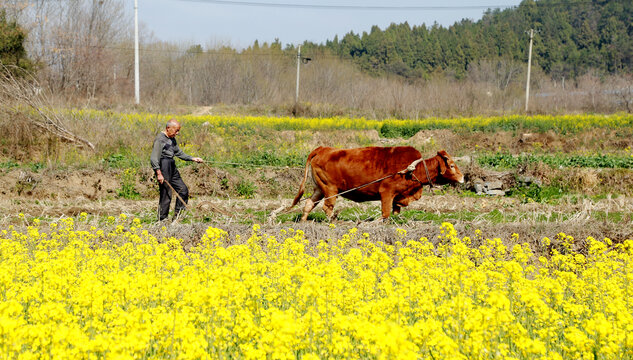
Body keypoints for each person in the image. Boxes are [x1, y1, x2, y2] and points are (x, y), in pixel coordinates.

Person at [150, 119, 203, 221]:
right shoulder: (160, 139)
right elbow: (154, 158)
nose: (177, 133)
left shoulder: (172, 139)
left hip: (171, 164)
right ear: (168, 128)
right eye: (176, 130)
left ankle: (178, 217)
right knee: (166, 194)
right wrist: (159, 173)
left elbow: (179, 153)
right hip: (163, 165)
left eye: (178, 131)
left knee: (183, 190)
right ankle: (162, 220)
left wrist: (193, 158)